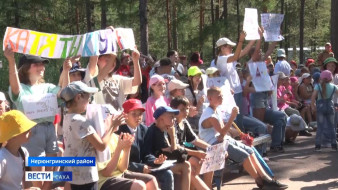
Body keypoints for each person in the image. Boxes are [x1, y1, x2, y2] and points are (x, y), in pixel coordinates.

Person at [4, 46, 70, 189]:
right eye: (37, 64)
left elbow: (65, 93)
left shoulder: (48, 87)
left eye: (43, 64)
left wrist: (66, 70)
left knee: (49, 176)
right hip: (32, 132)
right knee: (37, 176)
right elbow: (15, 89)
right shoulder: (20, 88)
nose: (42, 67)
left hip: (50, 131)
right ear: (26, 68)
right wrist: (11, 61)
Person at [199, 87, 287, 189]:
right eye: (219, 97)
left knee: (250, 150)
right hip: (213, 145)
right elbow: (222, 132)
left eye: (222, 96)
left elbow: (225, 131)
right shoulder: (210, 115)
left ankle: (266, 179)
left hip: (222, 140)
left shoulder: (216, 110)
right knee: (244, 155)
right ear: (210, 99)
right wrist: (232, 117)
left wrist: (241, 135)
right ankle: (261, 182)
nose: (221, 98)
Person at [60, 81, 124, 190]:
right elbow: (101, 146)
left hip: (74, 176)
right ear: (78, 97)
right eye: (87, 98)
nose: (89, 101)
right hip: (87, 176)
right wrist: (112, 126)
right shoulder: (81, 121)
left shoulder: (67, 117)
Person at [117, 99, 172, 190]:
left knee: (167, 174)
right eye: (134, 114)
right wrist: (140, 167)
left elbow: (147, 153)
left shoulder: (144, 129)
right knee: (149, 180)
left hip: (145, 167)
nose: (138, 117)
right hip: (127, 169)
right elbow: (119, 161)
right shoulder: (119, 132)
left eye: (140, 114)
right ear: (125, 115)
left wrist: (155, 161)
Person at [144, 106, 192, 190]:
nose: (174, 119)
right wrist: (173, 136)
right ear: (161, 118)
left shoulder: (164, 130)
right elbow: (175, 153)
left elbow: (174, 152)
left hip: (162, 163)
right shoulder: (154, 131)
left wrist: (172, 136)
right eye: (171, 117)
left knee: (186, 165)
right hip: (153, 165)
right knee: (185, 166)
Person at [214, 32, 255, 130]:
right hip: (230, 94)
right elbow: (236, 56)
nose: (231, 49)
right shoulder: (221, 59)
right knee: (233, 121)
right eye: (229, 47)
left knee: (239, 121)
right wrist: (241, 40)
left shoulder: (228, 57)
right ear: (222, 48)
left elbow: (244, 52)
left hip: (238, 91)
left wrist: (254, 39)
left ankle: (242, 140)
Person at [0, 110, 39, 190]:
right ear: (13, 135)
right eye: (25, 130)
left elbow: (27, 182)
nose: (30, 131)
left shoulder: (24, 153)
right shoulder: (1, 158)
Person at [311, 70, 338, 151]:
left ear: (321, 78)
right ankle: (334, 145)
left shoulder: (318, 86)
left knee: (320, 127)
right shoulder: (334, 86)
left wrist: (313, 105)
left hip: (320, 107)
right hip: (330, 106)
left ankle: (318, 145)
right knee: (332, 127)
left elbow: (313, 96)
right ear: (331, 78)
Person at [185, 66, 206, 131]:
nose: (198, 77)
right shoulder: (187, 91)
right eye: (195, 75)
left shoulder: (201, 90)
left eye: (199, 75)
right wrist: (200, 103)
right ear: (189, 78)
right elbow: (192, 112)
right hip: (193, 121)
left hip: (201, 117)